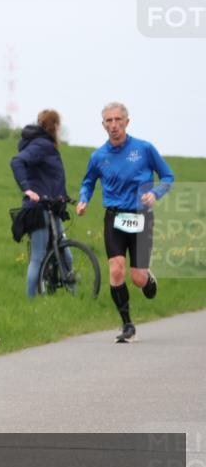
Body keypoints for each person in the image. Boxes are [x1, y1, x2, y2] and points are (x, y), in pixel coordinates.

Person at [77, 102, 174, 343]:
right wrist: (83, 199)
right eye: (109, 121)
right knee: (116, 269)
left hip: (141, 216)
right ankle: (127, 325)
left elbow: (167, 176)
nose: (114, 125)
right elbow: (88, 182)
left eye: (118, 120)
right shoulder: (98, 156)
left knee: (137, 278)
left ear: (127, 122)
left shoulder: (144, 149)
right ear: (103, 125)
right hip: (114, 217)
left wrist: (155, 194)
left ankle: (146, 277)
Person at [10, 109, 71, 298]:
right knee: (38, 257)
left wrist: (63, 197)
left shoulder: (45, 144)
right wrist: (27, 189)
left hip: (52, 206)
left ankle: (73, 294)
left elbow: (50, 177)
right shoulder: (41, 145)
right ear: (56, 125)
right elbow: (17, 162)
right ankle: (30, 302)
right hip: (38, 209)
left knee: (66, 253)